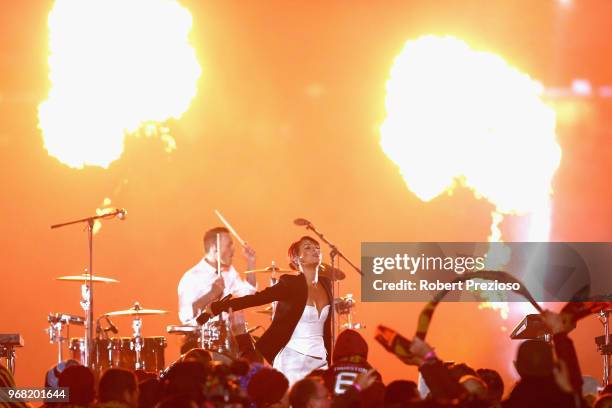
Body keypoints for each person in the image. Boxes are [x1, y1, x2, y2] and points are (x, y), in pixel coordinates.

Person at [209, 236, 333, 386]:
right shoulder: (290, 283)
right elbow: (258, 298)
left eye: (317, 247)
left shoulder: (326, 284)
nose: (315, 250)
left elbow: (326, 329)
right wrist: (218, 307)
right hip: (293, 357)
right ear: (295, 260)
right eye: (308, 247)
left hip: (320, 358)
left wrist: (330, 359)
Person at [178, 226, 257, 354]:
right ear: (215, 249)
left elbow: (248, 295)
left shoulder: (229, 272)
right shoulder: (191, 277)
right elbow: (186, 319)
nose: (234, 250)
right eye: (229, 245)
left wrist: (251, 263)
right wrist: (210, 295)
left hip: (229, 342)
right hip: (203, 348)